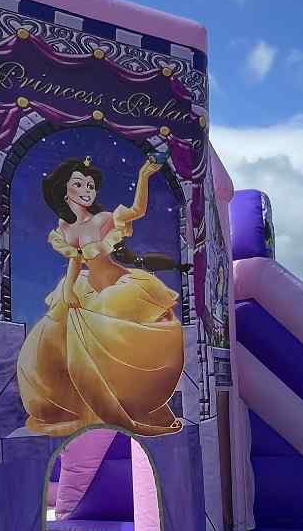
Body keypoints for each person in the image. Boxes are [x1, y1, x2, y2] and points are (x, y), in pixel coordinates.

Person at [16, 153, 184, 436]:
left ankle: (126, 400)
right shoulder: (65, 228)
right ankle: (74, 403)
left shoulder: (103, 219)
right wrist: (68, 289)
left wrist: (143, 175)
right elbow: (75, 260)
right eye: (79, 184)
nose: (87, 190)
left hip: (119, 287)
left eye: (90, 185)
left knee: (114, 336)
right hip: (86, 288)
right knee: (48, 338)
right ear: (64, 191)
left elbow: (137, 210)